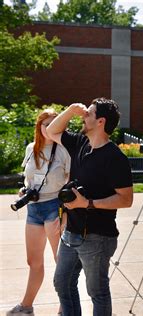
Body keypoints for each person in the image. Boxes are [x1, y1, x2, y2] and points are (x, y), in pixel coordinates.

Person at [46, 98, 133, 316]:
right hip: (71, 232)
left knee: (97, 292)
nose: (84, 116)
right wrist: (69, 110)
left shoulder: (115, 158)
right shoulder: (79, 143)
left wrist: (88, 203)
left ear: (101, 121)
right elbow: (50, 131)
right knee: (62, 283)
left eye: (89, 113)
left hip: (98, 237)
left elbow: (126, 199)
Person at [7, 109, 70, 316]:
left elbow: (71, 184)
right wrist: (25, 189)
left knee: (61, 262)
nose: (52, 129)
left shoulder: (64, 150)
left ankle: (66, 308)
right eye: (47, 125)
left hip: (55, 206)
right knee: (33, 262)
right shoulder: (30, 148)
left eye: (56, 125)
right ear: (39, 127)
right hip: (33, 209)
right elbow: (29, 178)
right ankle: (26, 307)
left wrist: (65, 216)